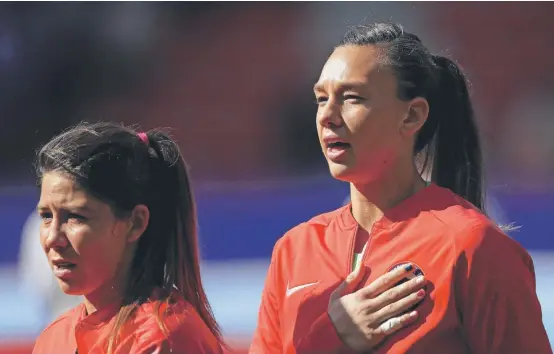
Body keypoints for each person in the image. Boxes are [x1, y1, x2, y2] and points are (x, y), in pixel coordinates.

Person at [250, 23, 552, 354]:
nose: (328, 116)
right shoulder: (293, 250)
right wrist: (331, 338)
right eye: (321, 99)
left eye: (352, 98)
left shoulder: (472, 247)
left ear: (412, 115)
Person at [32, 122, 225, 354]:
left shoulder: (164, 338)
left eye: (75, 217)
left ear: (135, 223)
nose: (53, 238)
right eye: (45, 215)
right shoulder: (53, 339)